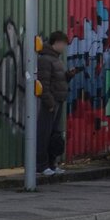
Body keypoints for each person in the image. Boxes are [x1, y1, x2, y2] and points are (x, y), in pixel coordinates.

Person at [37, 31, 74, 176]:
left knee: (54, 135)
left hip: (59, 100)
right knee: (44, 134)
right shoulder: (45, 60)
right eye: (63, 44)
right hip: (51, 103)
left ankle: (52, 164)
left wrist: (68, 76)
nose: (64, 47)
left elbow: (57, 80)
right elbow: (43, 84)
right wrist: (49, 102)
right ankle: (42, 165)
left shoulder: (56, 59)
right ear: (56, 43)